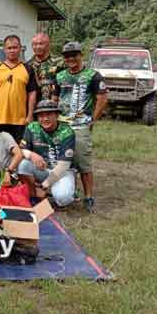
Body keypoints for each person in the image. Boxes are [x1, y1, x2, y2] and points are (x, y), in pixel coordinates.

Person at [55, 42, 108, 213]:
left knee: (83, 163)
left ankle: (89, 197)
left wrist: (93, 119)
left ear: (81, 55)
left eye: (74, 55)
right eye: (67, 56)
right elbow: (55, 98)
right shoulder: (60, 76)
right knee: (64, 161)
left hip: (81, 125)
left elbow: (102, 98)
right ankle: (71, 191)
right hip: (62, 124)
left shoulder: (93, 75)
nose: (70, 58)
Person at [18, 100, 76, 208]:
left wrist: (44, 186)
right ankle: (33, 194)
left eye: (49, 114)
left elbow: (64, 165)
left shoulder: (67, 132)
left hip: (62, 172)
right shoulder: (32, 127)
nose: (45, 118)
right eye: (41, 115)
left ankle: (61, 189)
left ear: (57, 115)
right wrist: (32, 155)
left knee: (63, 199)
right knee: (23, 164)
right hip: (42, 169)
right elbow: (21, 150)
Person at [0, 34, 37, 143]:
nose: (12, 50)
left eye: (15, 47)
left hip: (20, 120)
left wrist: (30, 115)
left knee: (19, 151)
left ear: (20, 48)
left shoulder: (28, 69)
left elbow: (32, 93)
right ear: (4, 50)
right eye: (9, 48)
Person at [28, 32, 64, 101]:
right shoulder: (28, 65)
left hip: (54, 107)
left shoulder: (59, 63)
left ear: (48, 45)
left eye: (41, 44)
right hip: (34, 107)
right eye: (35, 44)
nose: (38, 47)